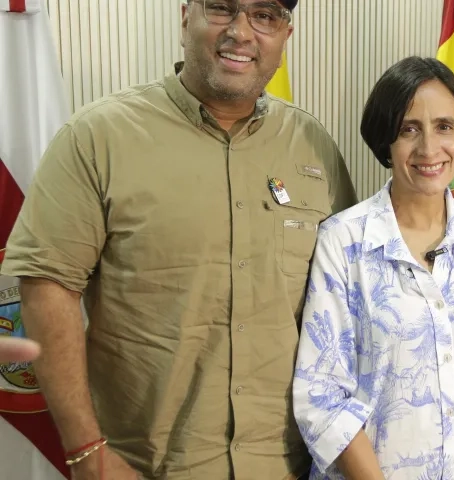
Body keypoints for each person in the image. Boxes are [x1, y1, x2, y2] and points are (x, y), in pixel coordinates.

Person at [0, 0, 357, 478]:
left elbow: (347, 301)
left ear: (285, 36)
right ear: (185, 15)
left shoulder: (313, 146)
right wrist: (87, 451)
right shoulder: (98, 137)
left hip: (290, 465)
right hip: (147, 467)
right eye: (222, 8)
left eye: (264, 15)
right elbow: (46, 285)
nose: (241, 31)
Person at [292, 56, 454, 480]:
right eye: (409, 129)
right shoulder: (344, 241)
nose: (429, 149)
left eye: (444, 126)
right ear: (385, 138)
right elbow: (321, 394)